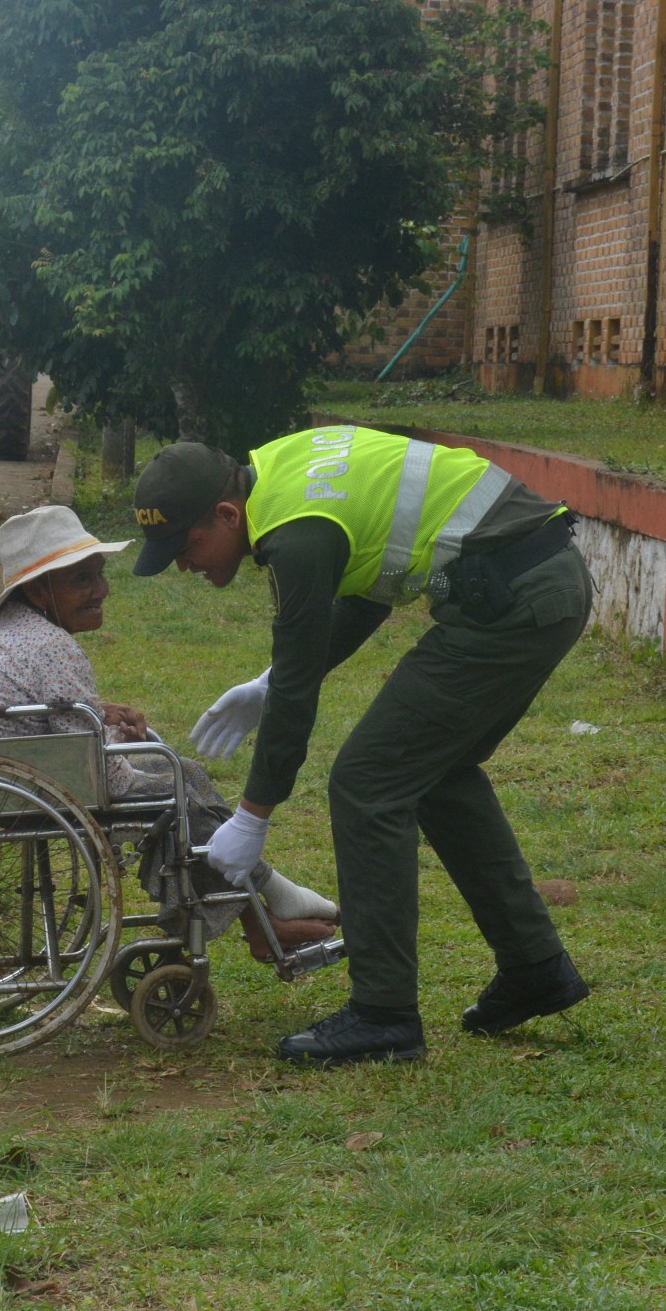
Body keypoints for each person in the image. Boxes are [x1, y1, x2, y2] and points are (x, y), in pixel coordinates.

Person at [131, 428, 593, 1067]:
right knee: (432, 772)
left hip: (513, 601)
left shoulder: (294, 532)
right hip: (530, 583)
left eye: (186, 546)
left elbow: (299, 695)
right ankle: (536, 968)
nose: (185, 564)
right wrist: (272, 681)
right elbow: (372, 584)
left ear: (226, 514)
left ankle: (384, 1015)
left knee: (367, 780)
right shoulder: (281, 472)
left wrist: (251, 817)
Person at [0, 506, 339, 957]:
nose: (102, 590)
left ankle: (261, 907)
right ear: (38, 590)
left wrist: (101, 713)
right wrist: (124, 741)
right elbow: (108, 779)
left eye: (99, 575)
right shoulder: (52, 647)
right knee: (175, 787)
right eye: (82, 581)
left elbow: (31, 706)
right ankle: (265, 905)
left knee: (183, 773)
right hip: (33, 787)